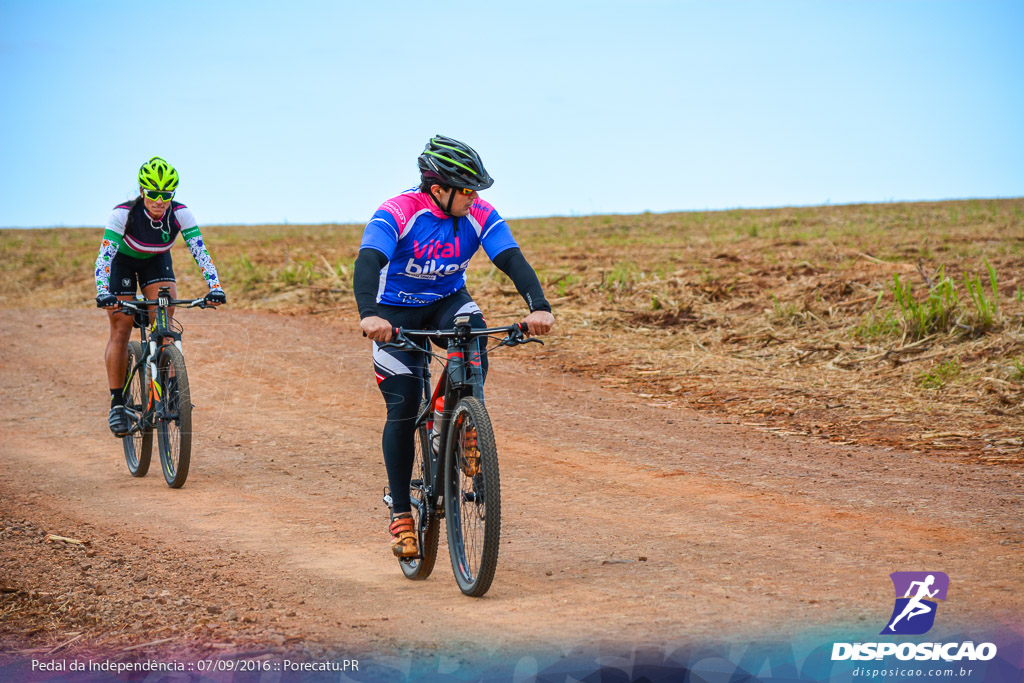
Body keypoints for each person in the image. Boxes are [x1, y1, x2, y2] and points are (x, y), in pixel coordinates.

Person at [355, 135, 555, 558]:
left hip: (448, 303)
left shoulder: (479, 213)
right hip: (394, 314)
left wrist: (538, 307)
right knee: (404, 405)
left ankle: (461, 424)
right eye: (466, 188)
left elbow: (511, 259)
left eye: (476, 189)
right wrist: (370, 315)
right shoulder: (398, 211)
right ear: (437, 187)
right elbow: (369, 261)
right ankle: (402, 515)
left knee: (473, 328)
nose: (473, 196)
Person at [94, 156, 226, 436]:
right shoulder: (122, 215)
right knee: (122, 326)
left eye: (166, 195)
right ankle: (117, 403)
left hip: (156, 261)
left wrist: (215, 286)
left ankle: (170, 388)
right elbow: (104, 257)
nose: (159, 201)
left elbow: (200, 251)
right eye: (153, 194)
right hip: (123, 264)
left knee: (164, 321)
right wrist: (103, 291)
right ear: (142, 192)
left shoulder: (180, 214)